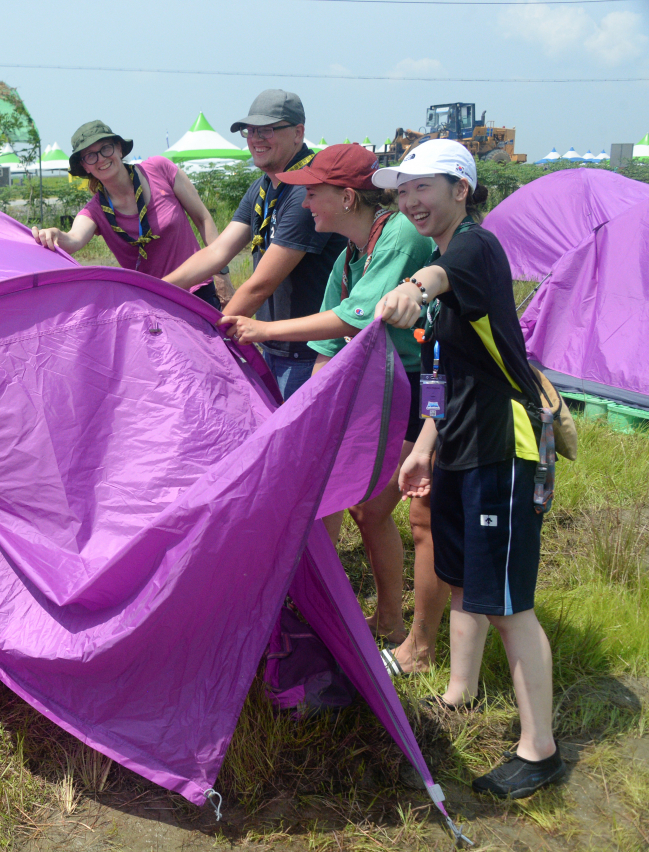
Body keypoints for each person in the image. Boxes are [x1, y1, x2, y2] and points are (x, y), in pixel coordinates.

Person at [374, 140, 563, 798]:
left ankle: (539, 750)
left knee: (508, 603)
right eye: (401, 191)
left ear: (461, 188)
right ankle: (458, 693)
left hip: (501, 448)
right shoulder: (442, 264)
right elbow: (438, 376)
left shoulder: (473, 250)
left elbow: (436, 280)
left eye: (422, 186)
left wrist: (410, 287)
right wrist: (424, 444)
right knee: (460, 580)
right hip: (456, 447)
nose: (409, 201)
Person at [218, 143, 434, 647]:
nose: (306, 203)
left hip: (422, 388)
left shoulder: (398, 236)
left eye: (313, 194)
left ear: (347, 197)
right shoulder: (347, 256)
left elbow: (354, 319)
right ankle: (373, 617)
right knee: (351, 504)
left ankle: (401, 628)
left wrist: (262, 331)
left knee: (389, 512)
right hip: (379, 389)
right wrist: (312, 419)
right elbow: (325, 346)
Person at [164, 90, 348, 400]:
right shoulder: (264, 186)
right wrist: (157, 289)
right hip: (272, 347)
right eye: (251, 131)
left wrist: (211, 341)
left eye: (268, 130)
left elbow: (261, 284)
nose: (256, 138)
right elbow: (217, 252)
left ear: (298, 132)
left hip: (308, 353)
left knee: (298, 445)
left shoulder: (307, 188)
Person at [32, 120, 230, 308]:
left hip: (198, 291)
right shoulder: (96, 210)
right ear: (84, 166)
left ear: (119, 148)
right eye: (90, 156)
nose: (101, 158)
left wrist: (222, 275)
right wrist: (55, 235)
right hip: (150, 302)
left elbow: (203, 219)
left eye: (105, 148)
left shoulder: (160, 169)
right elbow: (74, 240)